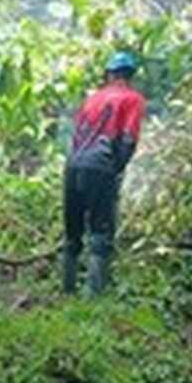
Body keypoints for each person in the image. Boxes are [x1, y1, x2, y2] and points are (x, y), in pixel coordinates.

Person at [62, 52, 146, 295]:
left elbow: (77, 134)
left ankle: (67, 291)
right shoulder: (133, 99)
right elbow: (128, 139)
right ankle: (94, 296)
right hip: (100, 167)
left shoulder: (92, 99)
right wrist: (117, 168)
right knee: (100, 231)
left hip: (73, 165)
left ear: (109, 74)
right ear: (130, 76)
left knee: (72, 233)